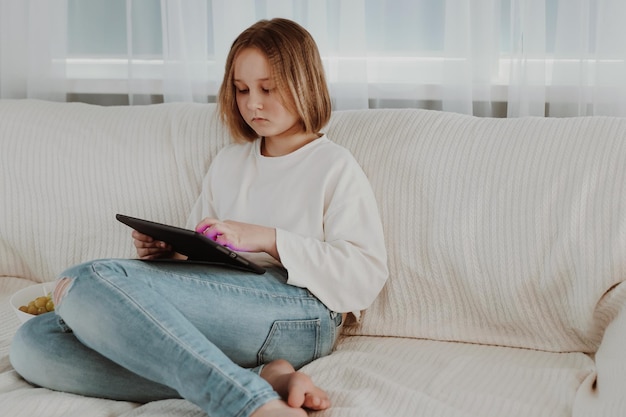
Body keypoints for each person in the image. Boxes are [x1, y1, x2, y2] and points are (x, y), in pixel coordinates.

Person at [10, 18, 388, 417]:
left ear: (303, 83)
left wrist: (268, 238)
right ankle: (260, 378)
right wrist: (170, 255)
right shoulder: (228, 163)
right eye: (242, 90)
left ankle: (246, 403)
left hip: (303, 313)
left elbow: (364, 275)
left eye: (268, 89)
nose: (252, 104)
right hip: (226, 312)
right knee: (35, 343)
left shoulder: (333, 165)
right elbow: (203, 273)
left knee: (87, 279)